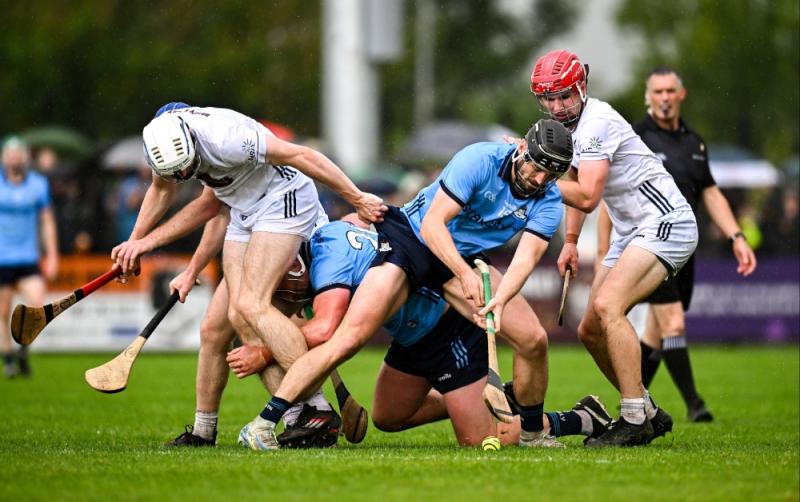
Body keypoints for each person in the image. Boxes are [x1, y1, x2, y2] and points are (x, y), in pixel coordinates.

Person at [237, 118, 575, 451]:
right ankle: (264, 422)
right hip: (412, 241)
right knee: (349, 338)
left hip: (461, 258)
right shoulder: (479, 160)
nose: (539, 178)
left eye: (551, 173)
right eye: (536, 166)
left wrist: (500, 299)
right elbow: (432, 225)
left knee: (533, 339)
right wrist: (465, 274)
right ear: (520, 149)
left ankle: (533, 433)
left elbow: (526, 259)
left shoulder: (548, 200)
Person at [109, 103, 386, 428]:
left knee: (251, 304)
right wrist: (136, 244)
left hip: (284, 199)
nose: (185, 176)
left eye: (188, 169)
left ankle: (318, 411)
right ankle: (214, 428)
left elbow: (303, 157)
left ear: (193, 139)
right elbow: (169, 192)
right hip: (246, 212)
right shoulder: (163, 144)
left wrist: (356, 198)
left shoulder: (229, 137)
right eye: (178, 174)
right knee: (219, 324)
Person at [229, 216, 614, 447]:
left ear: (295, 268)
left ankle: (580, 418)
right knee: (388, 416)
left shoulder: (327, 269)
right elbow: (353, 220)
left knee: (480, 441)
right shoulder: (329, 235)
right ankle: (491, 397)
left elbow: (328, 328)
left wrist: (263, 352)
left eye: (284, 290)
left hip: (448, 330)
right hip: (412, 336)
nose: (286, 301)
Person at [530, 49, 697, 446]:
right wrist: (570, 241)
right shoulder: (569, 129)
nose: (557, 106)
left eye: (564, 96)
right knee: (589, 330)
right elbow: (572, 174)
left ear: (581, 86)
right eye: (548, 99)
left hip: (665, 222)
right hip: (630, 231)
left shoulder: (596, 122)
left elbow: (586, 196)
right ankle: (648, 410)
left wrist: (535, 172)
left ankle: (633, 416)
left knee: (608, 307)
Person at [627, 67, 757, 422]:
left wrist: (737, 237)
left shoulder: (694, 142)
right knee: (673, 325)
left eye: (671, 91)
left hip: (684, 247)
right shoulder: (635, 137)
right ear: (647, 97)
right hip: (650, 244)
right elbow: (613, 193)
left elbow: (711, 194)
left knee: (655, 334)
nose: (665, 98)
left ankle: (630, 405)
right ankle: (694, 405)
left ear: (681, 95)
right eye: (658, 92)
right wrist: (600, 244)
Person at [163, 210, 342, 448]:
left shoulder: (241, 174)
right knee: (213, 332)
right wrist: (191, 270)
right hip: (246, 235)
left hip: (285, 227)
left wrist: (145, 244)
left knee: (251, 322)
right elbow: (217, 215)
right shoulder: (213, 178)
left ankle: (311, 412)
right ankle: (203, 431)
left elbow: (211, 209)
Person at [0, 137, 59, 378]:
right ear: (4, 158)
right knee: (3, 313)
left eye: (18, 153)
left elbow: (47, 221)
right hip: (2, 258)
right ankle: (9, 361)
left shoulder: (38, 184)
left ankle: (23, 351)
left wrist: (53, 255)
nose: (14, 158)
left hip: (28, 257)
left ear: (25, 157)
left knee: (36, 307)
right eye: (10, 154)